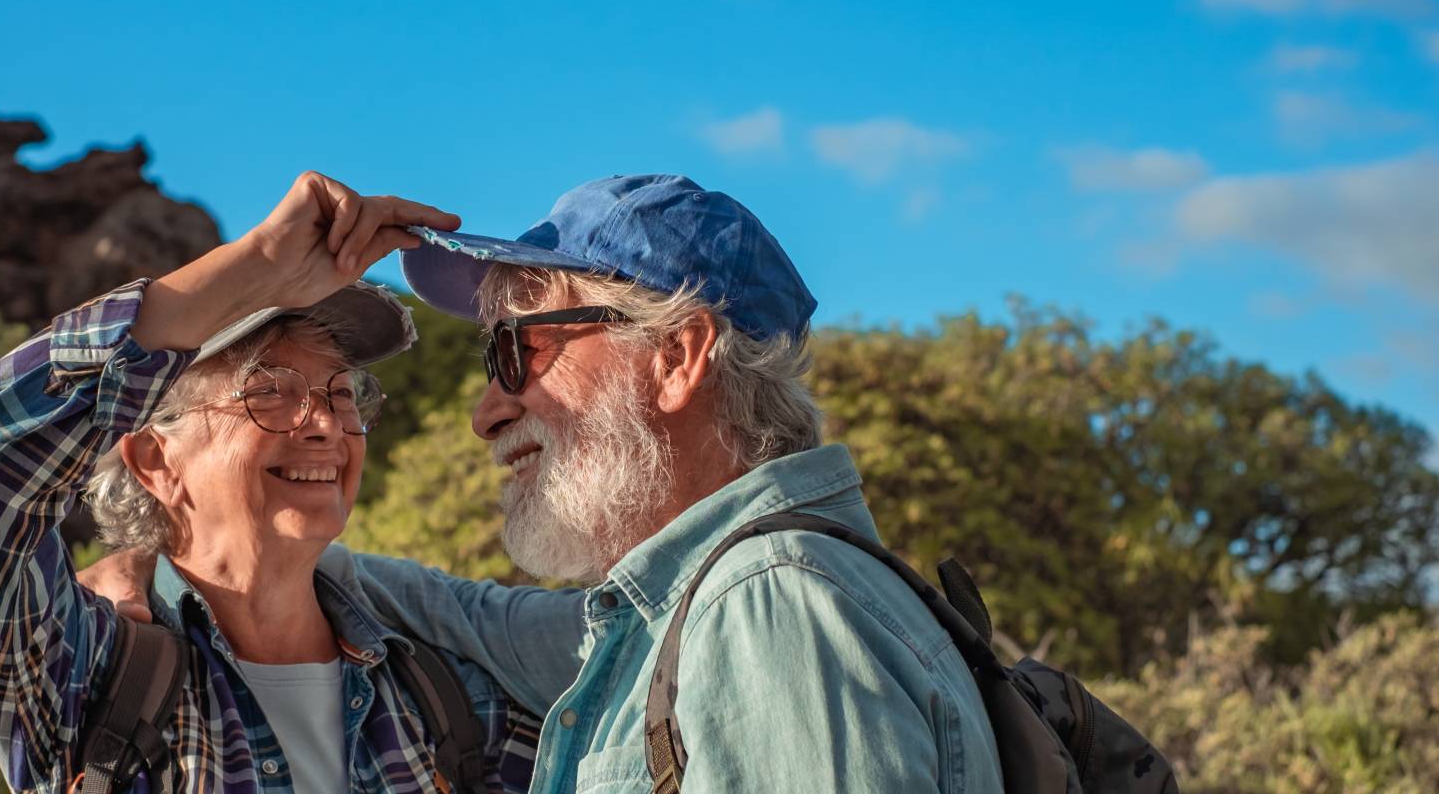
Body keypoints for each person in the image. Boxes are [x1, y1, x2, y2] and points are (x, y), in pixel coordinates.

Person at [82, 173, 1005, 792]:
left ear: (675, 358)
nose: (487, 410)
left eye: (517, 349)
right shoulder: (673, 619)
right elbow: (460, 613)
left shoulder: (770, 609)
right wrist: (190, 555)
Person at [0, 171, 545, 794]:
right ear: (155, 462)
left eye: (342, 393)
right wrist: (259, 265)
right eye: (270, 392)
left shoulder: (449, 700)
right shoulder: (87, 672)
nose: (326, 423)